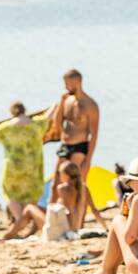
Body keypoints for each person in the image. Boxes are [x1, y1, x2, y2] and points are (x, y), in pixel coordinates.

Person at [3, 160, 104, 239]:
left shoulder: (63, 188)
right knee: (36, 209)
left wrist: (54, 193)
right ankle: (25, 234)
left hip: (63, 229)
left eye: (59, 173)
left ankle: (8, 235)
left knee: (29, 208)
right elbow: (95, 211)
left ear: (66, 175)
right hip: (75, 228)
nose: (58, 176)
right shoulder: (84, 188)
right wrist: (106, 228)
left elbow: (65, 211)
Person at [0, 101, 50, 224]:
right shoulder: (36, 124)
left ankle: (19, 220)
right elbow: (50, 115)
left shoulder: (6, 127)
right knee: (32, 194)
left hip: (13, 168)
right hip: (32, 168)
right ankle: (27, 219)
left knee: (10, 194)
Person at [45, 69, 99, 200]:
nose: (65, 87)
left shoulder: (90, 105)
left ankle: (77, 219)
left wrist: (88, 160)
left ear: (78, 82)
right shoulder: (66, 101)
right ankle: (53, 217)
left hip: (80, 147)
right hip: (64, 146)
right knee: (55, 185)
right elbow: (57, 125)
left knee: (75, 186)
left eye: (68, 83)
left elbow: (94, 134)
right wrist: (61, 103)